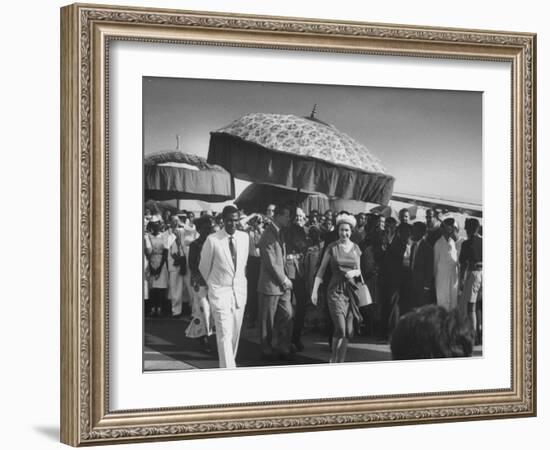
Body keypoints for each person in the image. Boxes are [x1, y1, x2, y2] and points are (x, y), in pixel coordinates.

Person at [199, 205, 249, 368]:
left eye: (235, 221)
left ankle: (228, 365)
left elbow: (243, 265)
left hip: (239, 293)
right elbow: (204, 267)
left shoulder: (245, 238)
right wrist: (212, 287)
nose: (232, 224)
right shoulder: (212, 240)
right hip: (220, 292)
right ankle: (228, 372)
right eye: (229, 221)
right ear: (223, 221)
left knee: (234, 335)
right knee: (224, 334)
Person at [311, 213, 363, 363]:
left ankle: (341, 361)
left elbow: (359, 270)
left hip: (351, 292)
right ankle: (333, 358)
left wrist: (353, 272)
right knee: (340, 328)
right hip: (335, 291)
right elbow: (321, 269)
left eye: (347, 230)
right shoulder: (332, 247)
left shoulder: (356, 248)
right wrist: (314, 290)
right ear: (337, 231)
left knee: (348, 331)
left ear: (351, 231)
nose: (344, 233)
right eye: (341, 230)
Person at [257, 204, 293, 360]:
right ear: (277, 216)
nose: (288, 219)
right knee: (268, 321)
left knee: (287, 314)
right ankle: (266, 349)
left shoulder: (280, 233)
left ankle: (282, 346)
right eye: (286, 215)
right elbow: (271, 263)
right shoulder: (268, 235)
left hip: (281, 284)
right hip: (270, 285)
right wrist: (284, 279)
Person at [187, 215, 215, 351]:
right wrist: (200, 279)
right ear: (199, 230)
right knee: (203, 309)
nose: (209, 230)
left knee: (210, 310)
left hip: (213, 281)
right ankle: (203, 337)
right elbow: (192, 265)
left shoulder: (213, 243)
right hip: (199, 283)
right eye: (205, 228)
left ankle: (203, 333)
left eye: (210, 227)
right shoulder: (194, 245)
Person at [284, 207, 309, 352]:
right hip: (288, 272)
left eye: (301, 216)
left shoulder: (301, 230)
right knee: (287, 308)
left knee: (301, 305)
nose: (298, 218)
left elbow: (303, 246)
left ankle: (296, 337)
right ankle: (286, 339)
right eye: (296, 216)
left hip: (299, 271)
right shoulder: (285, 230)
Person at [459, 218, 483, 344]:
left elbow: (462, 264)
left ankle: (473, 337)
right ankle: (480, 335)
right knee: (480, 307)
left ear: (468, 229)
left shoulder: (466, 244)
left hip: (473, 274)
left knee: (471, 308)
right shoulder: (484, 241)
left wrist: (461, 281)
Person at [144, 215, 170, 317]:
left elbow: (165, 252)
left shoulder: (164, 236)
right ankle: (152, 308)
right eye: (154, 225)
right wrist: (150, 265)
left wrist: (159, 268)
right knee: (153, 288)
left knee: (160, 288)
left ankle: (159, 308)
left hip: (161, 263)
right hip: (151, 261)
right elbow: (147, 251)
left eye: (157, 225)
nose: (156, 227)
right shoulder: (148, 236)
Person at [433, 217, 460, 311]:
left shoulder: (453, 243)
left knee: (453, 304)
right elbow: (435, 265)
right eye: (449, 227)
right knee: (443, 304)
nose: (451, 230)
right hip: (442, 278)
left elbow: (456, 261)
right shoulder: (438, 244)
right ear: (443, 229)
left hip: (453, 278)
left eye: (452, 227)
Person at [409, 221, 434, 309]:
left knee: (420, 309)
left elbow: (429, 269)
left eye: (414, 231)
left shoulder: (428, 248)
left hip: (422, 286)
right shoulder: (413, 246)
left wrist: (426, 287)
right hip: (412, 284)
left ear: (421, 233)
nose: (412, 233)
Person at [245, 214, 264, 328]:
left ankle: (259, 317)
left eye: (258, 221)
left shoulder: (263, 231)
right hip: (251, 261)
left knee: (260, 290)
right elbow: (240, 225)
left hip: (261, 261)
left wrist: (259, 228)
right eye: (254, 221)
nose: (256, 222)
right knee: (252, 290)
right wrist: (250, 216)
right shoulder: (247, 232)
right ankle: (252, 318)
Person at [166, 216, 186, 317]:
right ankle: (175, 310)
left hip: (181, 260)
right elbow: (167, 245)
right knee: (174, 287)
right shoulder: (167, 233)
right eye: (173, 221)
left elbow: (184, 244)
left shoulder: (182, 231)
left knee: (181, 287)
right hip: (173, 261)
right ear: (170, 222)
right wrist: (173, 235)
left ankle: (180, 309)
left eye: (177, 221)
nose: (176, 223)